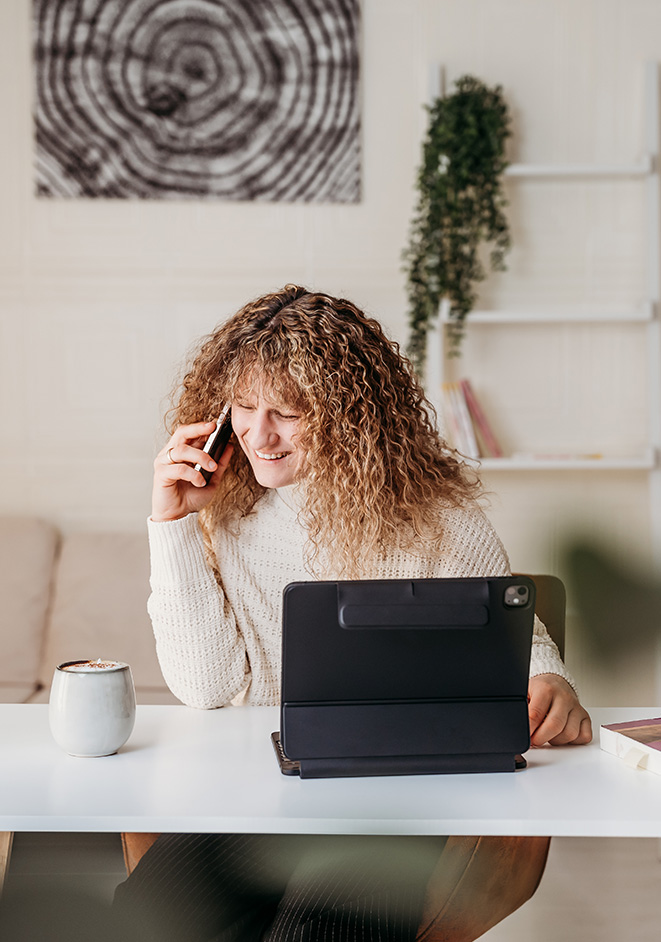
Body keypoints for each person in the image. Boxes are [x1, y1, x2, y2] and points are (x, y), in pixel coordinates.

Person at [113, 284, 591, 941]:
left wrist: (549, 680)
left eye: (286, 412)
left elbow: (508, 631)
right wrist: (169, 526)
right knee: (142, 917)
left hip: (396, 804)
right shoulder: (230, 514)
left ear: (348, 416)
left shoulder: (439, 525)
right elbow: (207, 688)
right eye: (244, 407)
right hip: (260, 793)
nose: (257, 434)